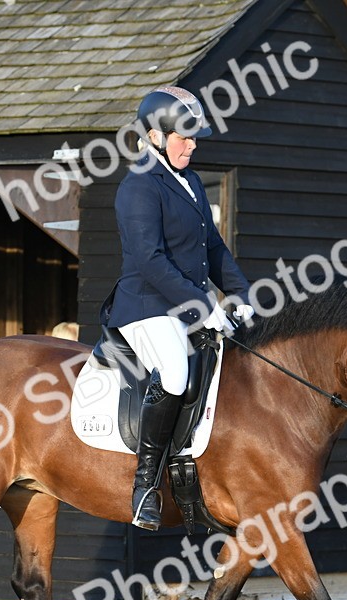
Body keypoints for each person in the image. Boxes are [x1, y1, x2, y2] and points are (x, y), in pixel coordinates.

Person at [107, 86, 253, 530]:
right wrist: (204, 306)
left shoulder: (188, 182)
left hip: (187, 307)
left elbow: (214, 247)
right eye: (183, 138)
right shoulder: (138, 187)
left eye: (194, 138)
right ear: (154, 137)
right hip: (145, 306)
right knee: (174, 373)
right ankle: (145, 486)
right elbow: (150, 261)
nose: (192, 145)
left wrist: (241, 296)